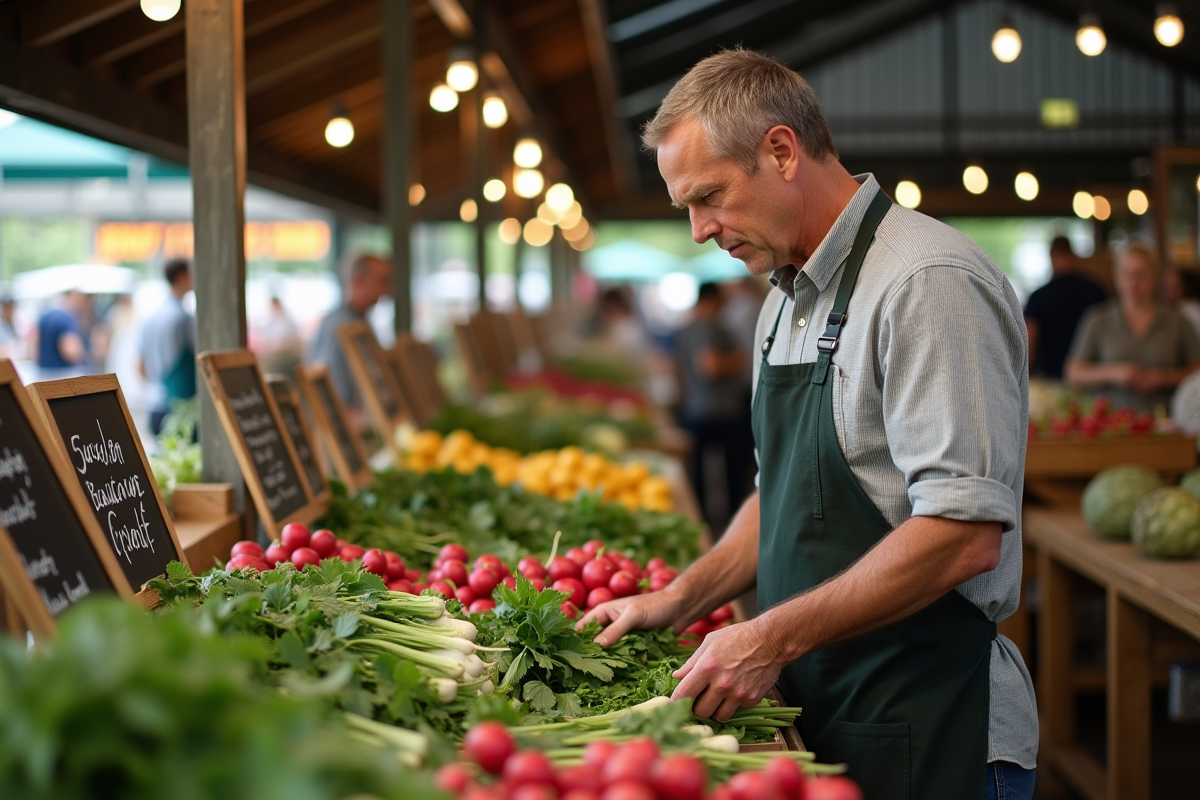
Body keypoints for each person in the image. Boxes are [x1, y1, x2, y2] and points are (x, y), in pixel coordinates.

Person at [578, 49, 1036, 800]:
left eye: (709, 196)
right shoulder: (783, 301)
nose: (697, 230)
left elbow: (963, 534)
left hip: (932, 723)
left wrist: (764, 637)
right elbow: (783, 495)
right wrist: (682, 597)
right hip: (826, 709)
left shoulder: (926, 283)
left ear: (781, 151)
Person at [1065, 243, 1200, 412]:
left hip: (1165, 420)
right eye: (1126, 274)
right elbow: (1074, 373)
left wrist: (1164, 378)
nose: (1133, 282)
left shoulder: (1176, 320)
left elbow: (1196, 370)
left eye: (1141, 274)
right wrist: (1114, 373)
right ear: (1116, 277)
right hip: (1109, 421)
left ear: (1155, 276)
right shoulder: (1098, 318)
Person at [675, 282, 746, 530]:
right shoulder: (711, 328)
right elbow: (711, 367)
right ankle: (734, 526)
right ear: (713, 300)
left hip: (695, 410)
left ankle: (702, 523)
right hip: (722, 411)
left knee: (700, 476)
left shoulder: (686, 330)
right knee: (733, 474)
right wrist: (739, 359)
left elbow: (680, 373)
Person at [309, 253, 392, 416]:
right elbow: (335, 394)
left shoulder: (359, 322)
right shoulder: (340, 326)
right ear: (358, 282)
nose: (387, 290)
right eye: (381, 281)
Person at [1023, 236, 1107, 380]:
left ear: (1052, 256)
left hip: (1050, 379)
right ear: (1073, 254)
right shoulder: (1096, 290)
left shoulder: (1039, 296)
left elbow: (1030, 342)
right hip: (1090, 378)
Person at [139, 259, 196, 435]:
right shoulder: (182, 318)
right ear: (181, 277)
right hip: (181, 408)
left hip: (154, 405)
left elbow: (140, 366)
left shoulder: (150, 317)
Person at [35, 288, 90, 379]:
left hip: (43, 373)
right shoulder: (66, 319)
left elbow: (35, 347)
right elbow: (70, 351)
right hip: (63, 375)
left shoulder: (45, 316)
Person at [1161, 266, 1200, 335]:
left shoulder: (1192, 311)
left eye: (1174, 286)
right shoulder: (1170, 307)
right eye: (1166, 285)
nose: (1168, 290)